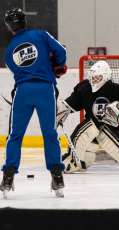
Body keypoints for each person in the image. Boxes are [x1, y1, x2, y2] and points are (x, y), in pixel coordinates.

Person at [0, 8, 67, 198]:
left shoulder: (9, 50)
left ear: (9, 27)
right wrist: (58, 66)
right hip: (45, 90)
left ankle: (8, 176)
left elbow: (16, 69)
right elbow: (61, 51)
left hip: (23, 92)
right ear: (24, 21)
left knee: (15, 135)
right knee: (50, 134)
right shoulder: (41, 34)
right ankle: (57, 175)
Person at [57, 60, 119, 175]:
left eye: (98, 77)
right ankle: (75, 161)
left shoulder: (115, 89)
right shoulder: (85, 87)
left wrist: (114, 116)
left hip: (109, 129)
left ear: (106, 76)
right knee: (83, 143)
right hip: (91, 130)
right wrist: (60, 111)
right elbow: (70, 105)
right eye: (92, 77)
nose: (94, 80)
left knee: (100, 129)